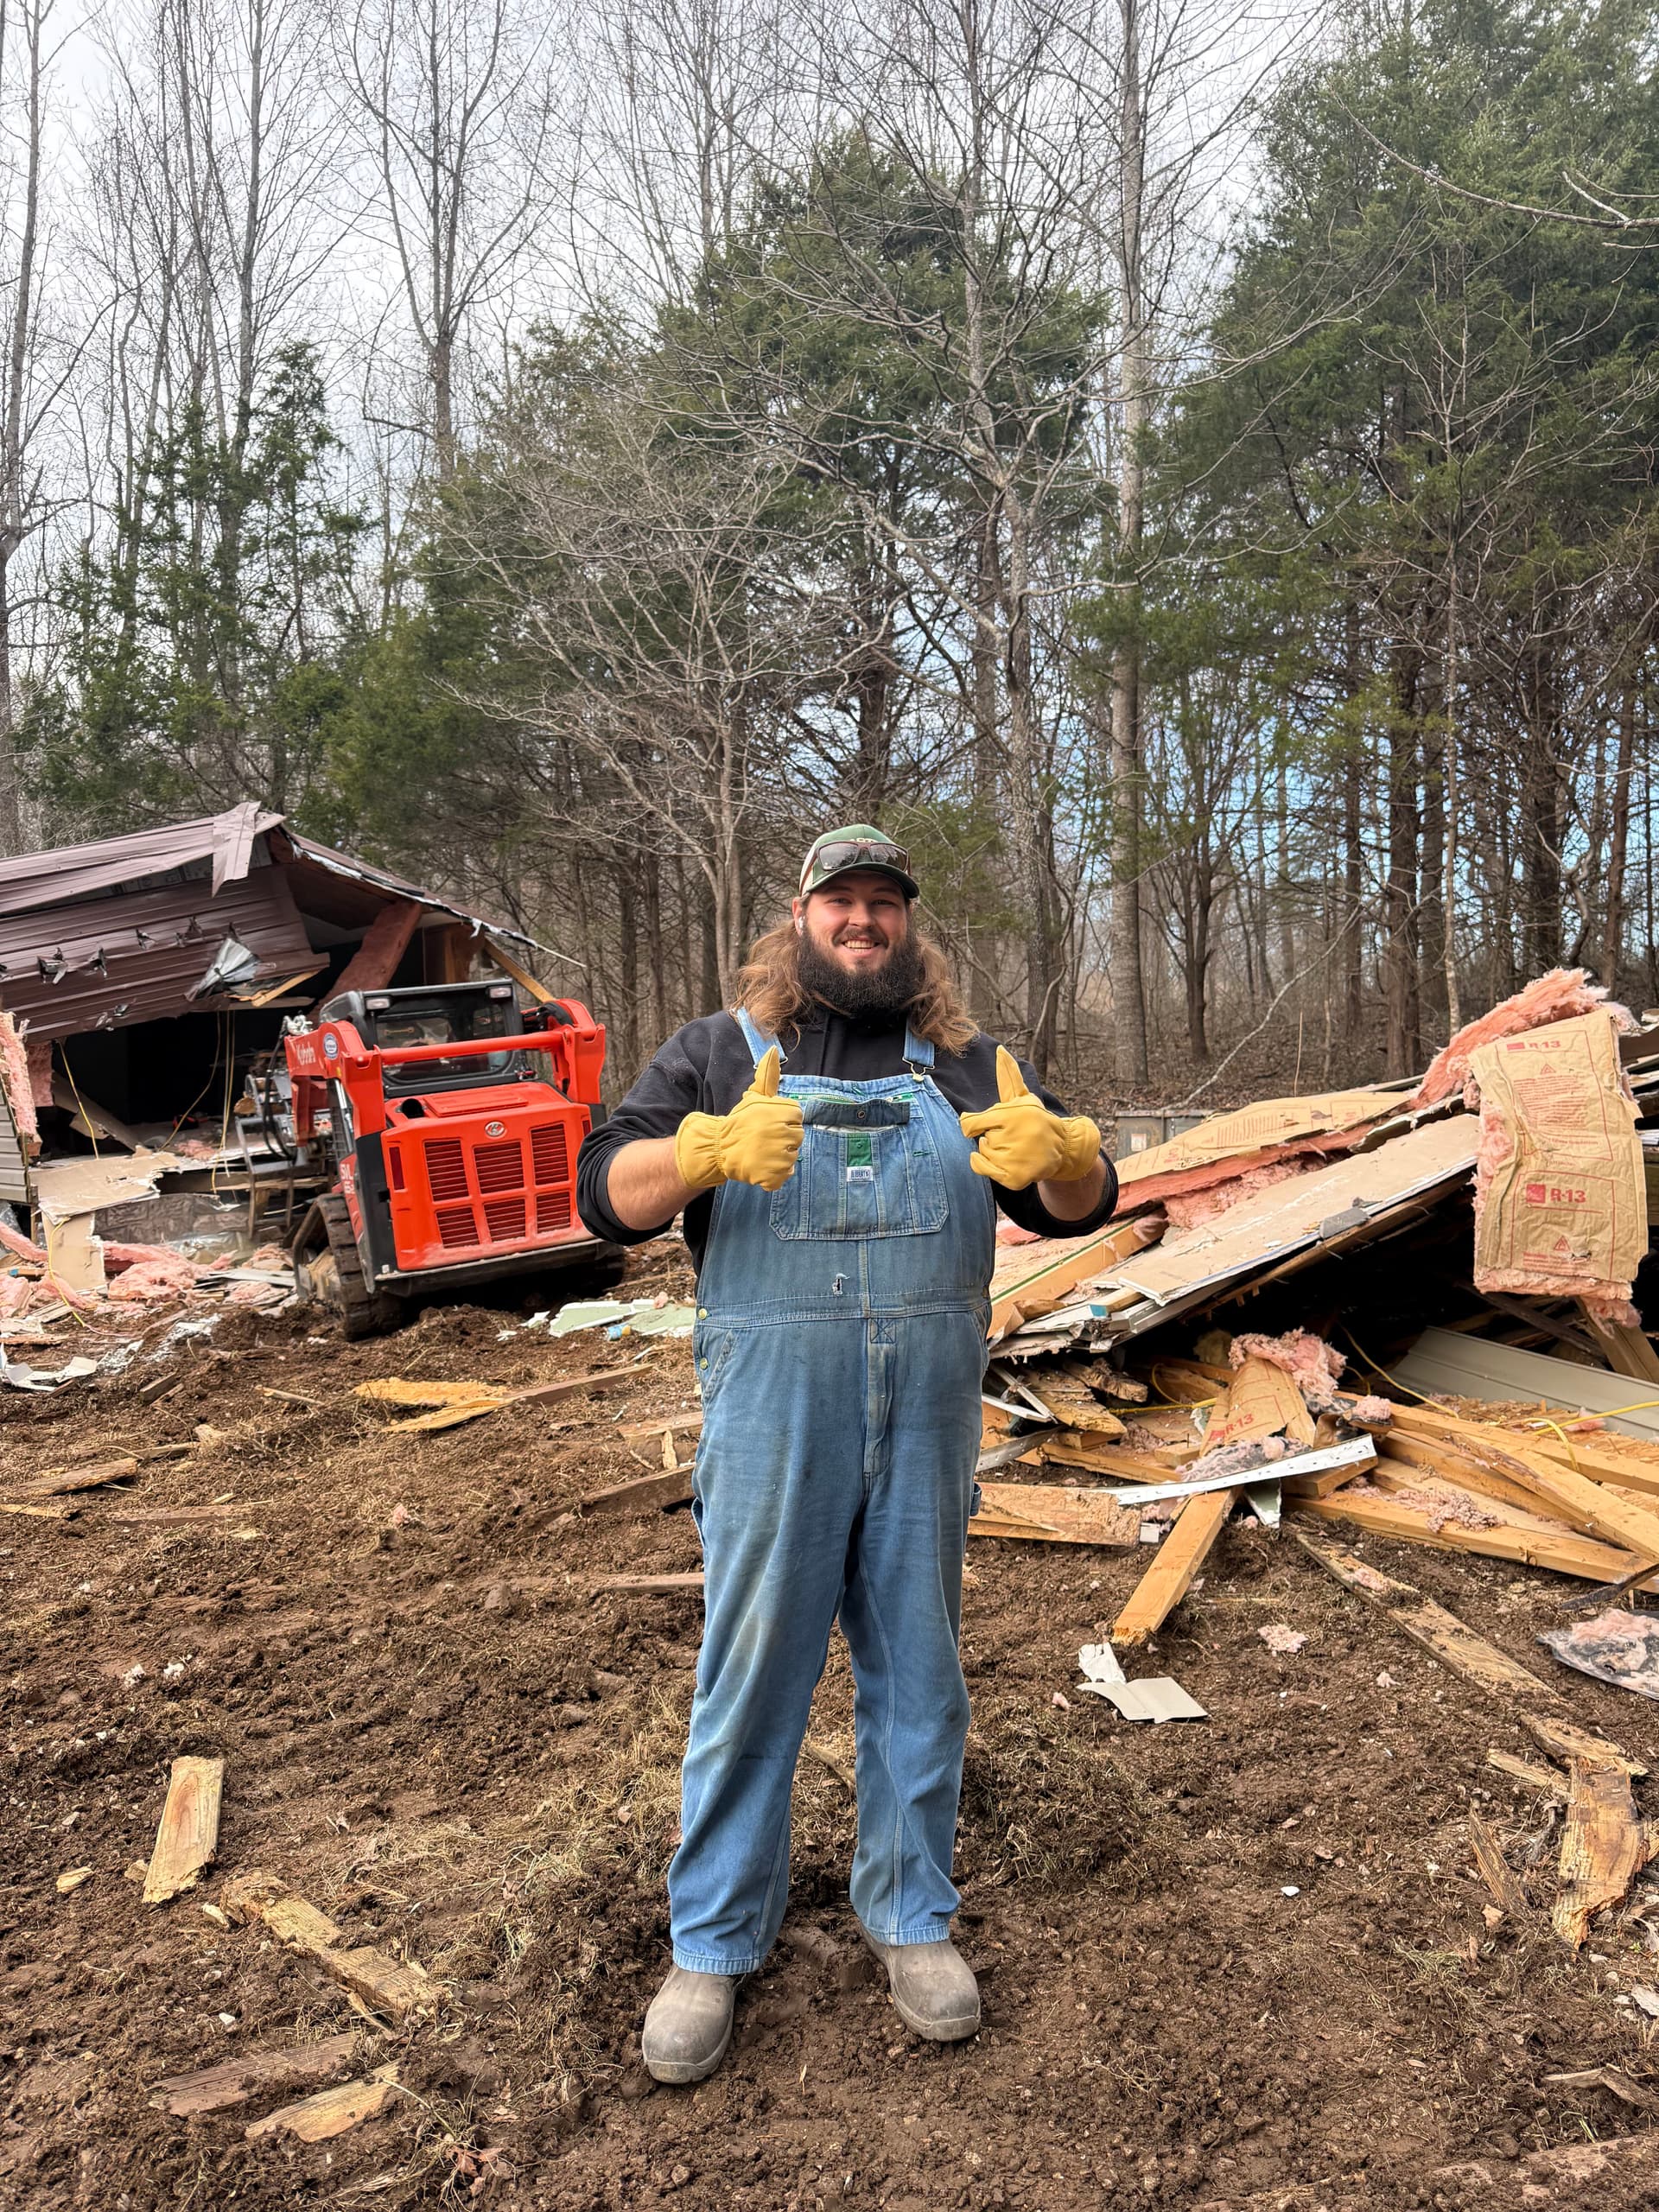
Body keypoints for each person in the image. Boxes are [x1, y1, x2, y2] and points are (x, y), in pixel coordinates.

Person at [575, 826, 1118, 2083]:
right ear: (800, 916)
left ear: (907, 927)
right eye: (841, 902)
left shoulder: (974, 1066)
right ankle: (711, 1941)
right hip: (777, 1407)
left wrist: (1075, 1160)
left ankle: (912, 1918)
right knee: (753, 1670)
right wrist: (703, 1150)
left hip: (929, 1413)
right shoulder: (719, 1053)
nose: (863, 922)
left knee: (921, 1668)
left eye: (884, 904)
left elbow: (1074, 1204)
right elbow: (604, 1192)